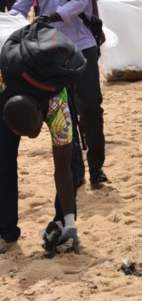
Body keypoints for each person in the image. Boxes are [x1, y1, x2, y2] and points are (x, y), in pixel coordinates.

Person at [11, 0, 110, 186]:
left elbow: (79, 2)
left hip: (82, 46)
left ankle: (97, 168)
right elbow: (21, 6)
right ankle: (75, 171)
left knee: (90, 105)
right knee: (63, 112)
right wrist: (9, 20)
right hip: (50, 51)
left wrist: (49, 17)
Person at [0, 73, 80, 254]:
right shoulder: (3, 85)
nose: (30, 137)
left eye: (32, 131)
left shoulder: (58, 108)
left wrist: (70, 222)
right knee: (3, 159)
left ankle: (62, 222)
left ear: (41, 113)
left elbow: (63, 168)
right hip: (8, 90)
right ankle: (5, 231)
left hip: (49, 84)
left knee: (70, 158)